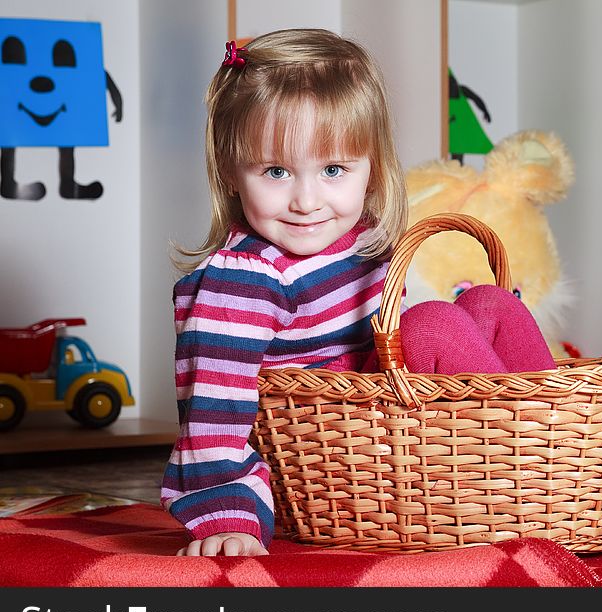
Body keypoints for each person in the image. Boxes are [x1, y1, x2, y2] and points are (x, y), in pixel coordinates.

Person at [163, 29, 556, 557]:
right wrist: (225, 516)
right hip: (343, 439)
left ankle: (554, 430)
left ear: (370, 167)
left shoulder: (360, 238)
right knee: (434, 323)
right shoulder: (243, 282)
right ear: (233, 173)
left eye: (333, 170)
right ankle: (513, 459)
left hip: (389, 404)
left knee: (491, 301)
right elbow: (212, 412)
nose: (306, 200)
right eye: (275, 171)